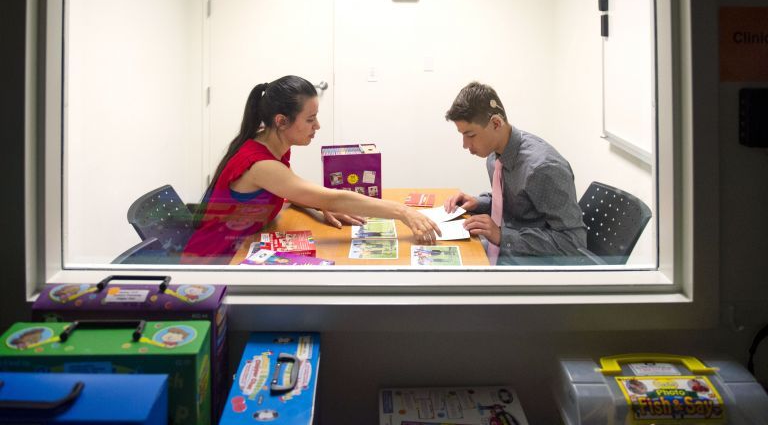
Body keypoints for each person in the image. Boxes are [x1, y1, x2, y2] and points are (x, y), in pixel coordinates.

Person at [182, 75, 440, 264]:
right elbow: (332, 196)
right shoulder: (261, 163)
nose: (317, 126)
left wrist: (317, 204)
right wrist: (403, 212)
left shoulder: (270, 143)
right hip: (213, 264)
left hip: (237, 250)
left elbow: (288, 187)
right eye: (309, 119)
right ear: (281, 121)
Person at [443, 81, 586, 264]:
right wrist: (478, 202)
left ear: (496, 123)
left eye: (470, 135)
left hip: (532, 264)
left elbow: (574, 244)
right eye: (462, 135)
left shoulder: (543, 168)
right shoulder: (495, 155)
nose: (465, 145)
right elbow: (514, 203)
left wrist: (503, 236)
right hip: (509, 248)